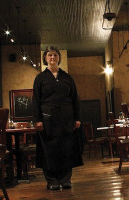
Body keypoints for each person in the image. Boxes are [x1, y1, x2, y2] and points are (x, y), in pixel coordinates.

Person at [32, 46, 83, 190]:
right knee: (49, 151)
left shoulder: (67, 78)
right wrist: (38, 120)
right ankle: (52, 180)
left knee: (66, 149)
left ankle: (65, 179)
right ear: (45, 58)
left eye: (55, 55)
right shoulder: (40, 78)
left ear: (59, 57)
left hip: (67, 120)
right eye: (49, 55)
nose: (52, 57)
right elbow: (35, 100)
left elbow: (75, 99)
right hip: (47, 121)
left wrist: (77, 118)